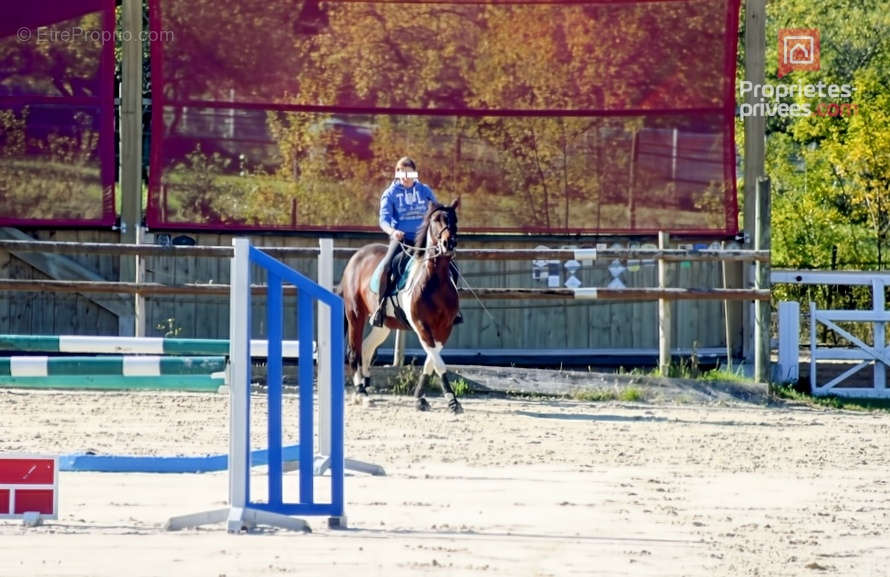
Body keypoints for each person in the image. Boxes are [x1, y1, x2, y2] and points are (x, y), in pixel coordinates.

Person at [371, 156, 438, 327]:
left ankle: (453, 307)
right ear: (397, 173)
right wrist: (393, 231)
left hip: (424, 239)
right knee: (386, 267)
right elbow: (383, 220)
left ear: (415, 174)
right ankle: (380, 308)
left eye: (409, 173)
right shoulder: (390, 194)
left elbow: (436, 211)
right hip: (402, 240)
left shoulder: (425, 191)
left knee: (448, 264)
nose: (406, 176)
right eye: (402, 172)